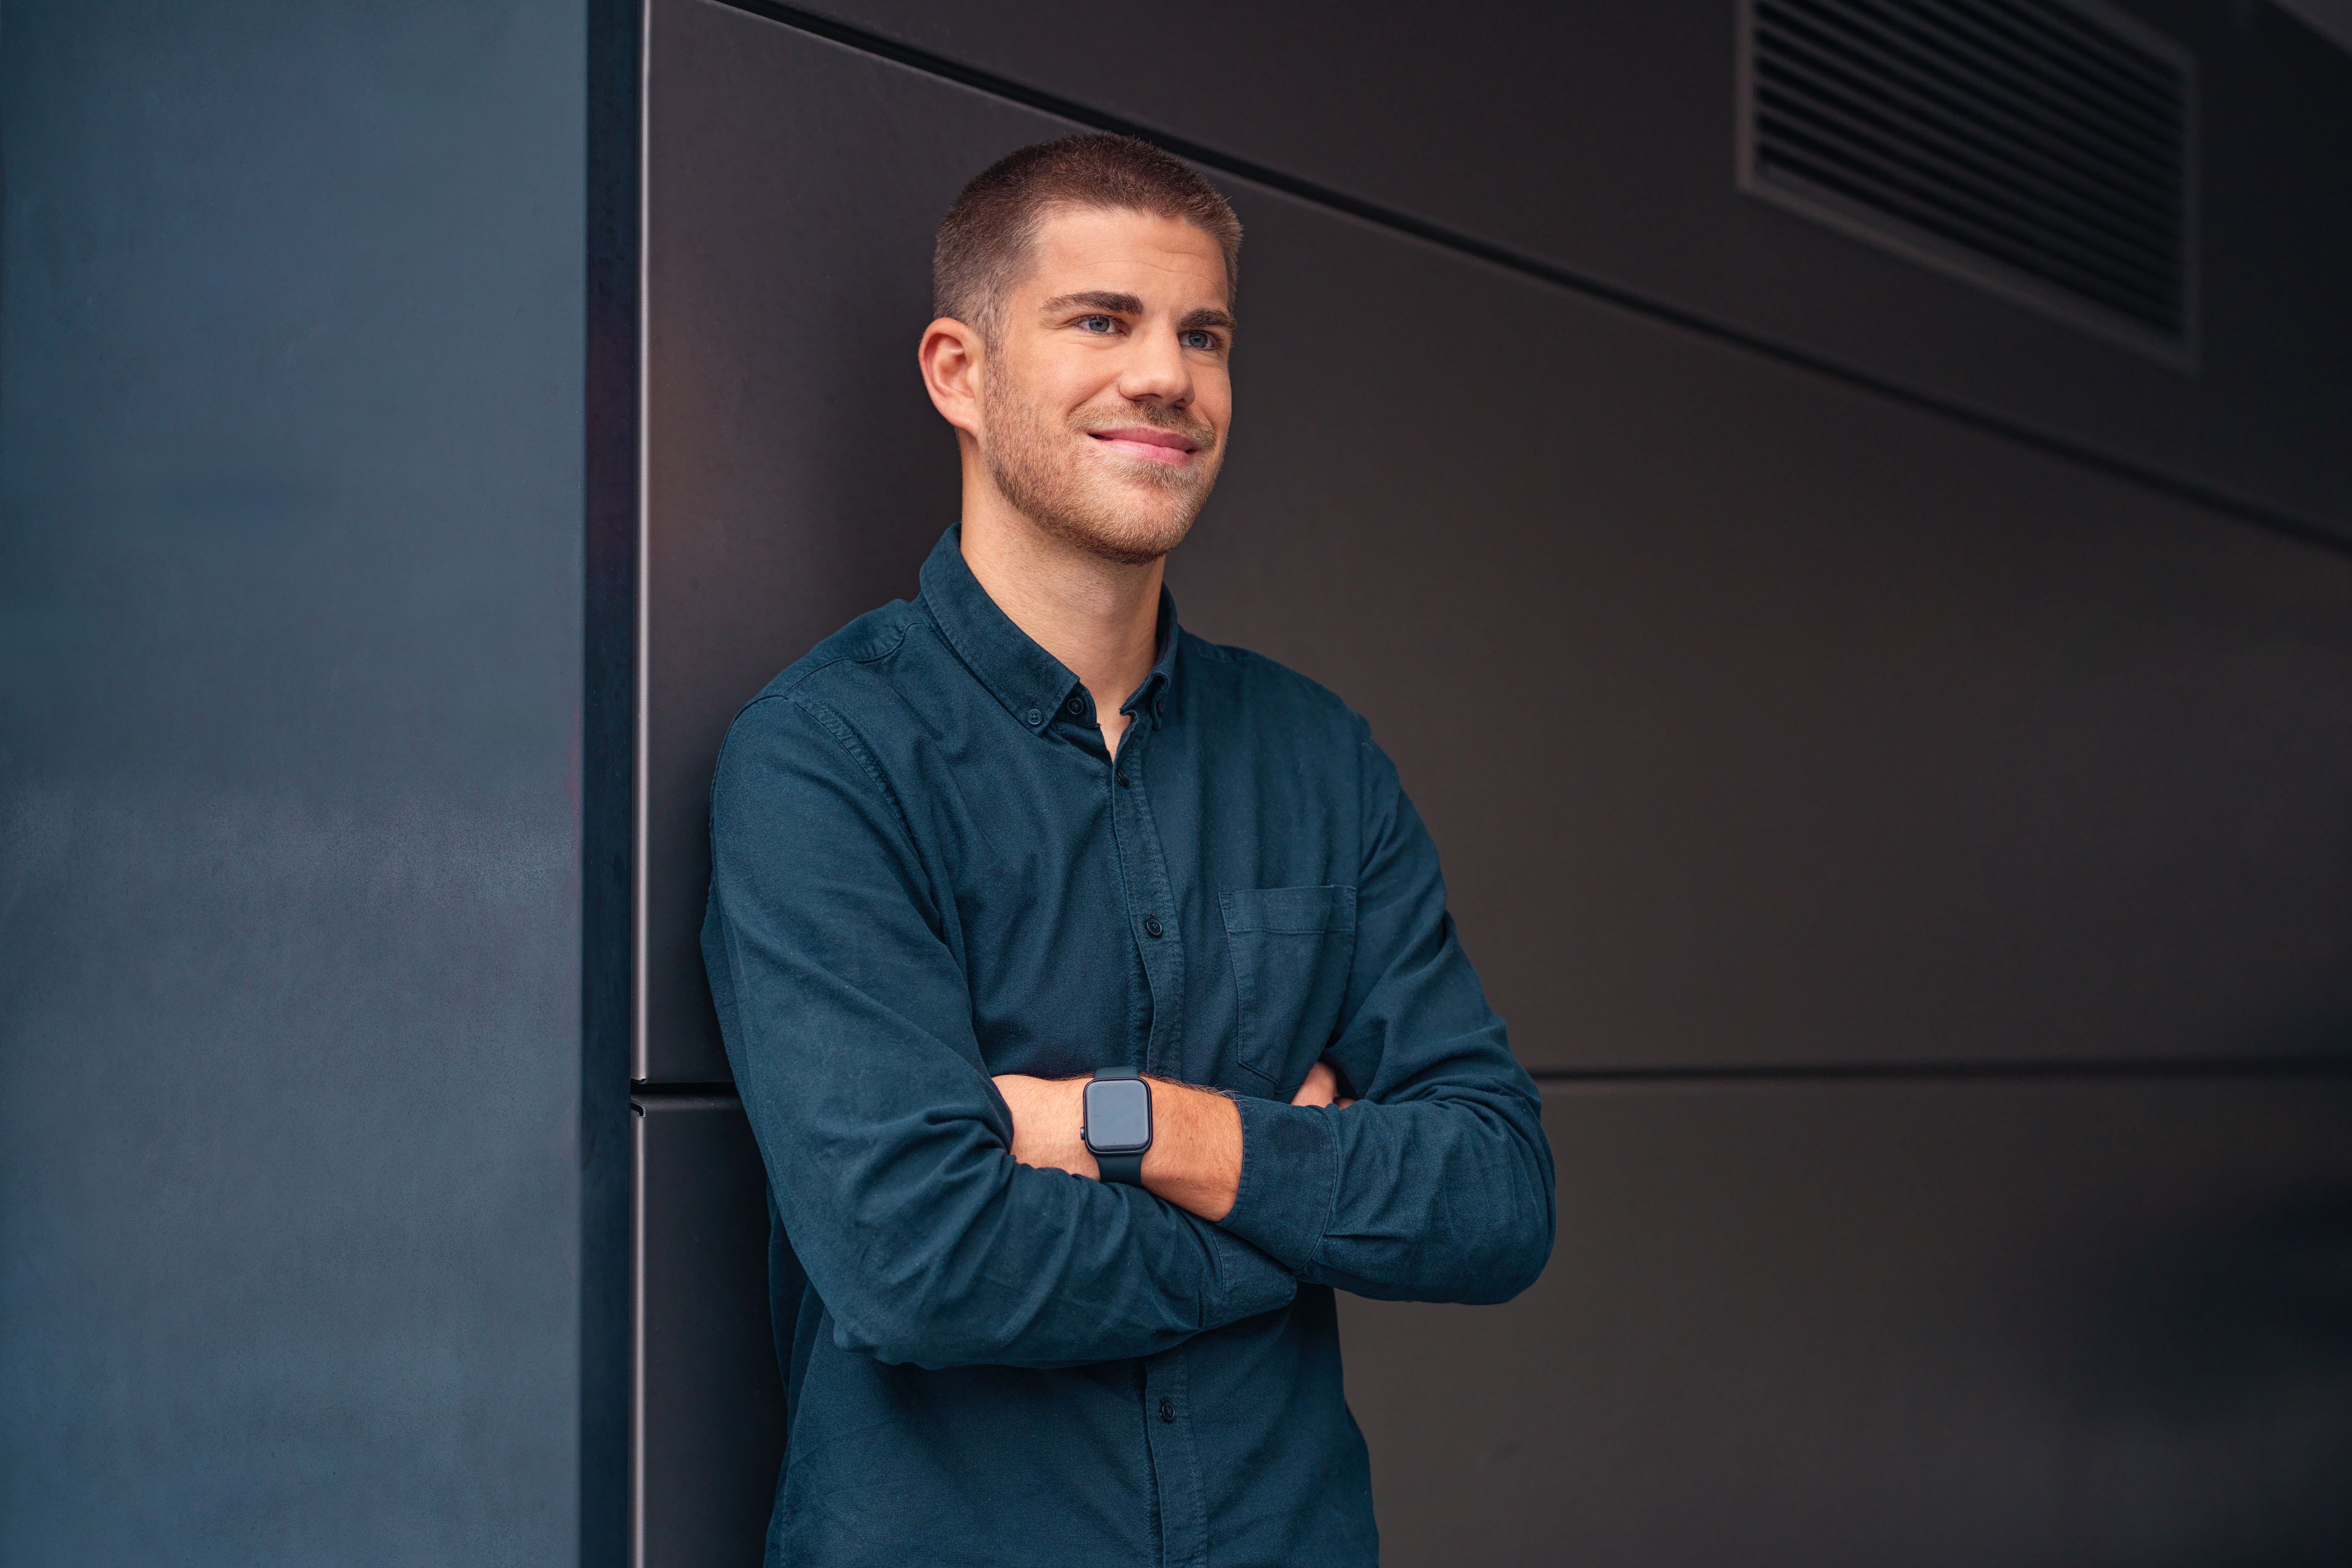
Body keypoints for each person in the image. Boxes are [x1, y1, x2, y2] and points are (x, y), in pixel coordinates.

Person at [703, 132, 1555, 1567]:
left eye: (1202, 333)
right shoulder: (827, 756)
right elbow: (922, 1258)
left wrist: (1142, 1126)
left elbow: (1497, 1193)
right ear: (959, 372)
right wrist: (1290, 1200)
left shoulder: (1318, 757)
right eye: (1103, 320)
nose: (1167, 374)